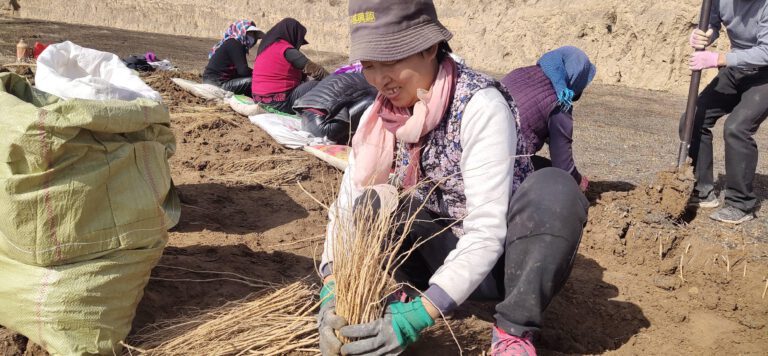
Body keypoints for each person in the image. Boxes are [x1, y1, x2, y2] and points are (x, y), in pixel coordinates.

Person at [316, 1, 589, 355]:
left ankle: (513, 331)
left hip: (502, 264)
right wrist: (332, 283)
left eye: (392, 62)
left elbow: (487, 231)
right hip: (440, 252)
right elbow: (348, 204)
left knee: (556, 189)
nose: (380, 79)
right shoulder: (382, 115)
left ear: (429, 47)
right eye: (369, 65)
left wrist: (418, 318)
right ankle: (405, 292)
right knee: (370, 202)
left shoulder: (479, 105)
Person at [683, 0, 768, 224]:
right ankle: (702, 190)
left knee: (737, 128)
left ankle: (741, 204)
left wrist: (719, 58)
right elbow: (712, 24)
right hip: (736, 69)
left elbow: (766, 51)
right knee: (693, 119)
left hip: (765, 74)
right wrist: (704, 36)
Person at [501, 46, 596, 191]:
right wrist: (578, 182)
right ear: (578, 79)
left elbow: (527, 116)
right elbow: (563, 167)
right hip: (500, 167)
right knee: (553, 174)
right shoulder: (560, 103)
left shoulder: (520, 72)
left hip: (470, 151)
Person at [251, 18, 329, 114]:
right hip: (280, 103)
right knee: (320, 84)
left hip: (258, 99)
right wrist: (336, 80)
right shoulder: (286, 49)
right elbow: (317, 71)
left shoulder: (266, 49)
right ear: (293, 35)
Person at [202, 20, 264, 96]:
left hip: (211, 80)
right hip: (216, 83)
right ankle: (257, 101)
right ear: (242, 32)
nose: (253, 38)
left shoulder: (232, 43)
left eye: (254, 35)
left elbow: (240, 71)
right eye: (250, 33)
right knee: (254, 80)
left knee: (252, 78)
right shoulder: (235, 44)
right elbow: (243, 71)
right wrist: (262, 75)